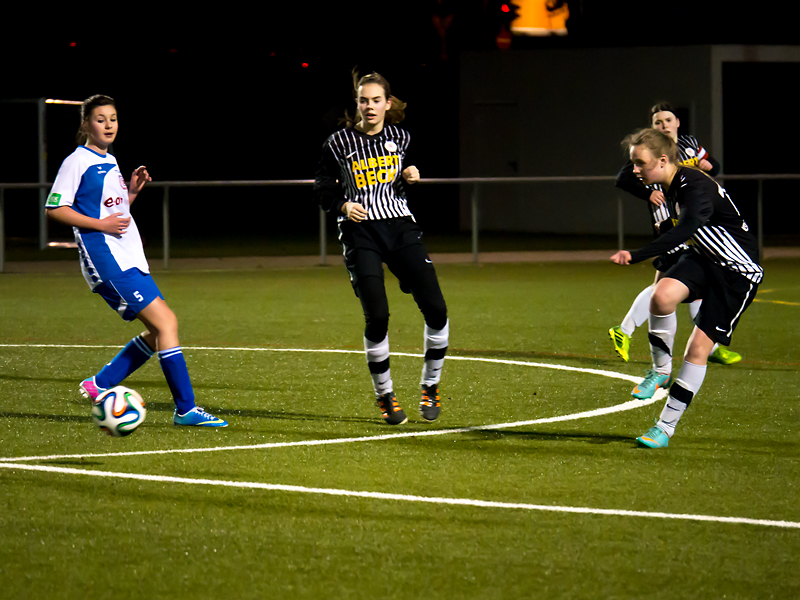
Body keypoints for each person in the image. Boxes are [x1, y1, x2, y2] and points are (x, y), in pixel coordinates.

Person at [45, 94, 227, 428]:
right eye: (100, 119)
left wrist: (131, 192)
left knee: (158, 331)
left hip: (126, 256)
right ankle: (186, 408)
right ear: (85, 124)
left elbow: (113, 211)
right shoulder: (77, 161)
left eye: (113, 118)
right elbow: (55, 208)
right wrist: (101, 225)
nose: (108, 125)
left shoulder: (109, 160)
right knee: (166, 323)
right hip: (106, 259)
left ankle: (99, 384)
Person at [610, 128, 762, 448]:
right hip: (706, 258)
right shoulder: (671, 185)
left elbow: (687, 229)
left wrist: (636, 255)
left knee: (696, 350)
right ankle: (661, 371)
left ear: (663, 160)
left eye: (640, 163)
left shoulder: (692, 186)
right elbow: (681, 231)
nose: (634, 170)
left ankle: (665, 427)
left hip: (737, 272)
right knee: (661, 296)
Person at [313, 70, 449, 425]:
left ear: (388, 104)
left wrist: (413, 175)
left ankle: (430, 386)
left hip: (400, 227)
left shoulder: (402, 137)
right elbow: (322, 188)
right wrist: (343, 205)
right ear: (356, 104)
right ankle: (385, 396)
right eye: (363, 100)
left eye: (376, 100)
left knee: (436, 308)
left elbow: (408, 172)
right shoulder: (338, 143)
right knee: (378, 316)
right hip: (360, 233)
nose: (369, 106)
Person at [610, 102, 741, 401]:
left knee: (685, 311)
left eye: (667, 120)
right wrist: (648, 191)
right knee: (664, 291)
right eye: (657, 122)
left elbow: (711, 176)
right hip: (683, 234)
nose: (663, 125)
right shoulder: (655, 161)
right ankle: (648, 354)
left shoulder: (690, 158)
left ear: (678, 123)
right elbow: (624, 177)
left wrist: (711, 168)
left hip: (725, 256)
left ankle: (694, 352)